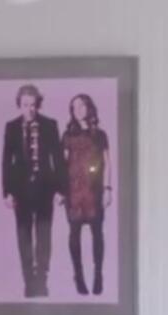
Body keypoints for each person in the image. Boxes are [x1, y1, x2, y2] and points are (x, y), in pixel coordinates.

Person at [2, 83, 65, 298]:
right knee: (24, 236)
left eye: (33, 105)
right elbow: (6, 162)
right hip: (21, 191)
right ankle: (29, 281)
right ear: (19, 105)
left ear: (38, 104)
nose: (29, 109)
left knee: (44, 235)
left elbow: (58, 160)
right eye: (25, 105)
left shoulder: (50, 125)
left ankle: (42, 280)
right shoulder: (11, 127)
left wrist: (60, 190)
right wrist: (7, 192)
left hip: (45, 189)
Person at [61, 93, 112, 296]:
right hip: (73, 192)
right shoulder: (67, 135)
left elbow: (107, 163)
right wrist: (60, 190)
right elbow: (62, 165)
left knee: (97, 233)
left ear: (89, 108)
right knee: (74, 235)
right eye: (74, 107)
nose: (78, 110)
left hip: (94, 190)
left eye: (81, 106)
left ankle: (98, 275)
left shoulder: (100, 135)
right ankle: (78, 276)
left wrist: (108, 189)